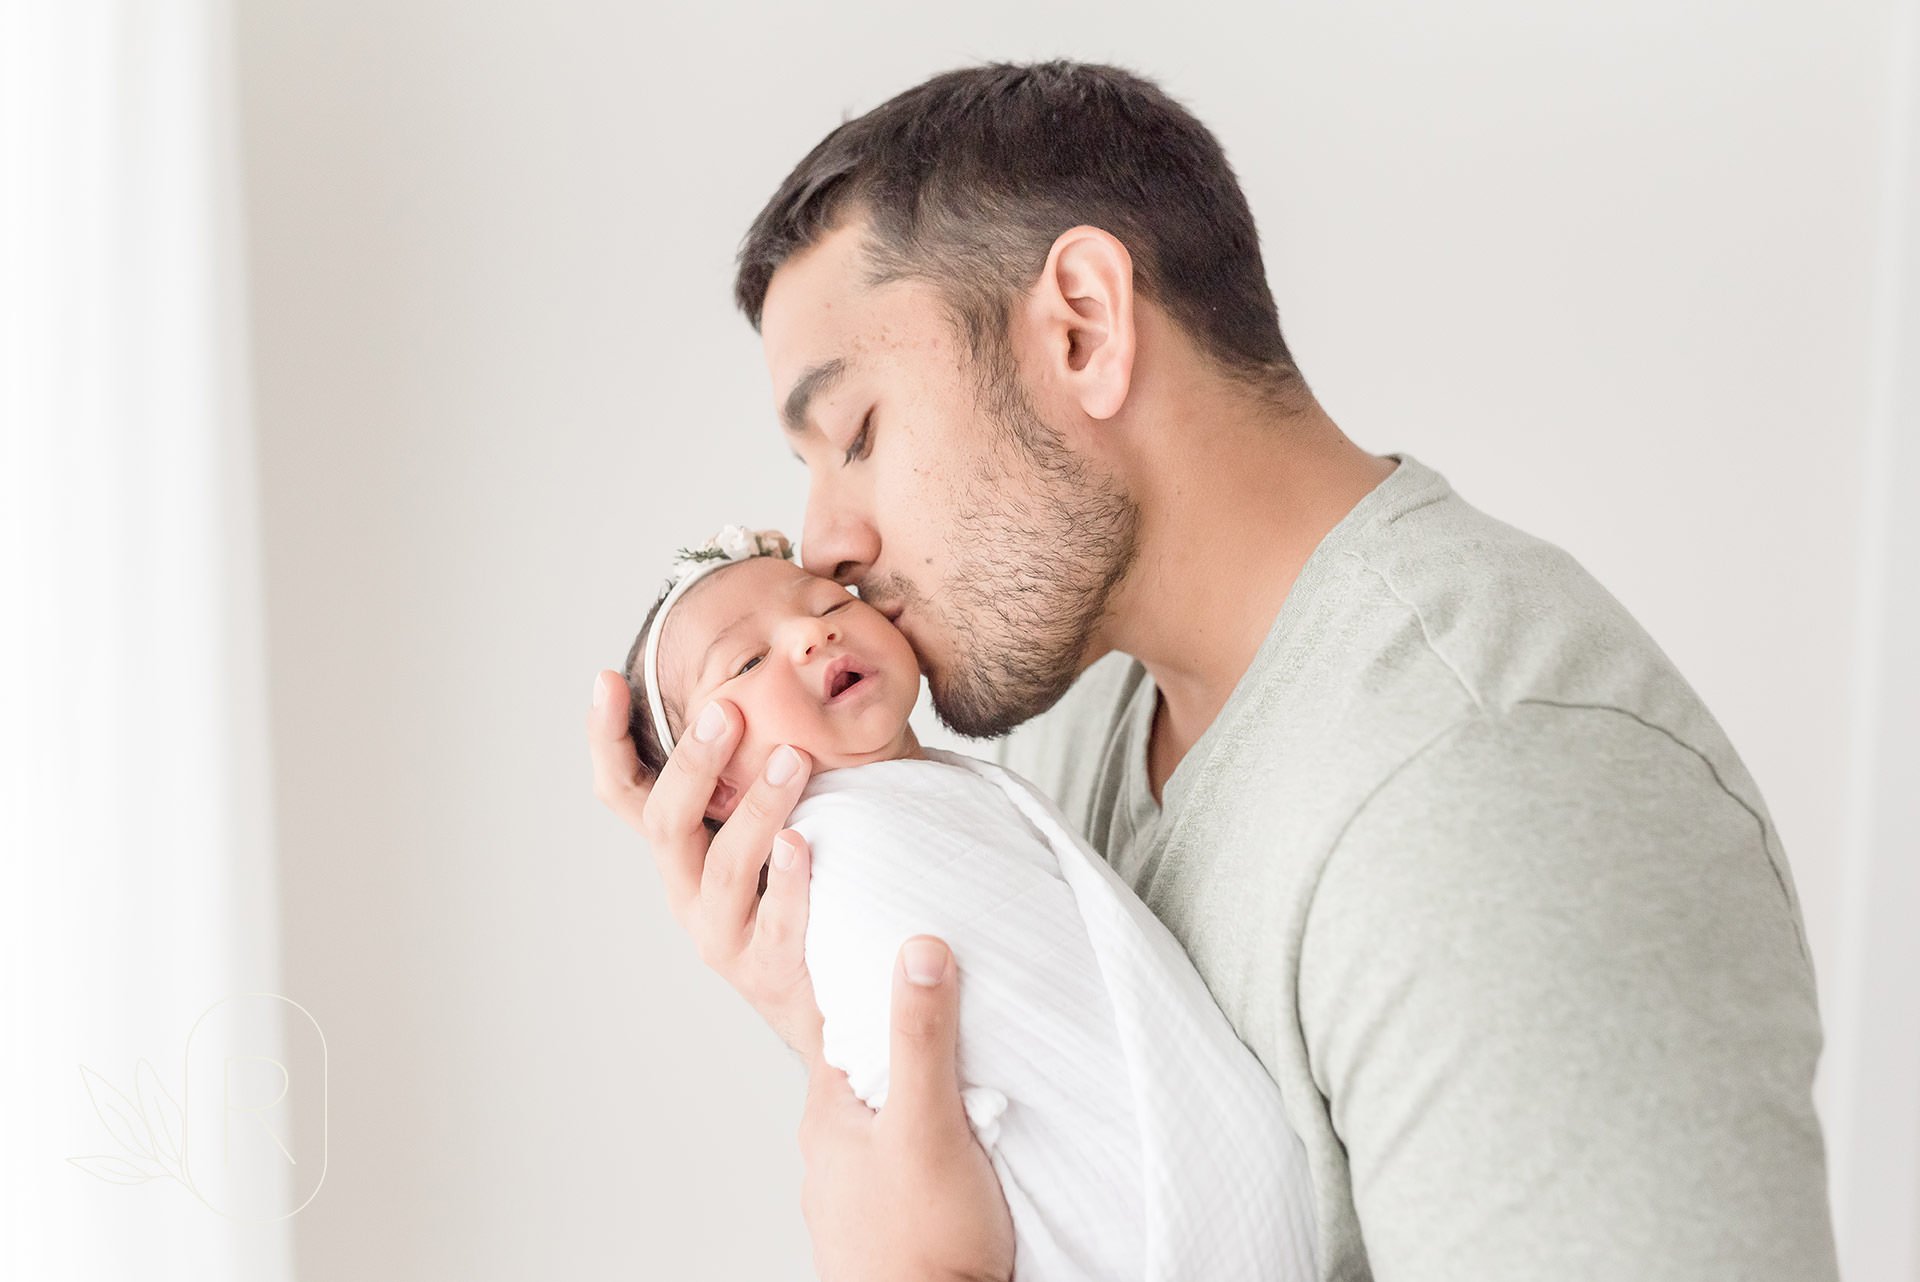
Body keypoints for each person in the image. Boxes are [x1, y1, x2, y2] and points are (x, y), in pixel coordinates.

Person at [587, 59, 1840, 1281]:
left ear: (1081, 328)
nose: (826, 546)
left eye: (856, 433)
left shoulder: (1501, 804)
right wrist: (824, 991)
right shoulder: (1089, 720)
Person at [620, 523, 1318, 1280]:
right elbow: (877, 1056)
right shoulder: (827, 860)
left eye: (826, 603)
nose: (812, 635)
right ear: (716, 778)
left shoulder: (955, 783)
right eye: (749, 660)